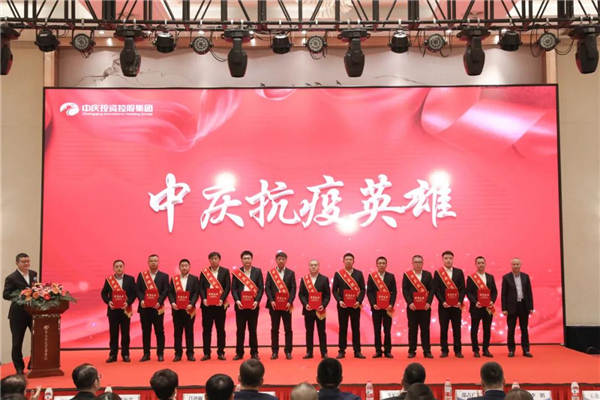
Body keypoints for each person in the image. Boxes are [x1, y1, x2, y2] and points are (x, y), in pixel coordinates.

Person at [3, 253, 37, 374]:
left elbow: (36, 288)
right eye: (23, 262)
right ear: (17, 263)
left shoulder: (33, 274)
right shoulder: (11, 278)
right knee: (17, 343)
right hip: (17, 315)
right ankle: (19, 368)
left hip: (33, 313)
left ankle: (33, 364)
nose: (26, 264)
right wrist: (21, 294)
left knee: (37, 339)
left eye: (28, 261)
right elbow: (5, 295)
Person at [100, 259, 137, 363]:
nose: (119, 268)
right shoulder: (109, 280)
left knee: (125, 333)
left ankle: (125, 354)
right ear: (114, 268)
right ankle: (113, 354)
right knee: (113, 333)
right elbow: (103, 293)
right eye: (117, 266)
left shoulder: (130, 279)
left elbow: (134, 293)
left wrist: (128, 302)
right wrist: (108, 302)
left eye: (121, 266)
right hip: (113, 311)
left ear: (123, 267)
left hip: (125, 310)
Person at [332, 253, 366, 359]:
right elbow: (334, 290)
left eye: (350, 259)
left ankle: (357, 351)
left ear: (353, 261)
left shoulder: (359, 274)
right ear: (343, 261)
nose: (348, 261)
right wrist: (339, 300)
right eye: (346, 259)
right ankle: (341, 351)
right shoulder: (338, 274)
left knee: (356, 328)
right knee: (343, 328)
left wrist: (359, 301)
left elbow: (362, 289)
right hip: (343, 306)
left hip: (355, 306)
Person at [136, 254, 169, 362]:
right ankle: (146, 354)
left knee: (159, 331)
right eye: (151, 261)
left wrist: (159, 302)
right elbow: (138, 290)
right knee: (146, 331)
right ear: (148, 262)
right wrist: (141, 300)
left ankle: (160, 353)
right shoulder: (142, 275)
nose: (153, 263)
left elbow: (165, 290)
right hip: (145, 308)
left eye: (155, 261)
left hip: (157, 308)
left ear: (158, 262)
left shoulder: (164, 276)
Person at [232, 250, 264, 360]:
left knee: (253, 330)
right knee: (240, 330)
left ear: (251, 259)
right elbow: (234, 288)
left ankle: (254, 353)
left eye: (248, 258)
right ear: (241, 260)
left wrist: (257, 301)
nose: (247, 260)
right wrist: (237, 300)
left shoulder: (257, 271)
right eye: (245, 258)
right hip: (240, 306)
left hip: (253, 306)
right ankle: (239, 353)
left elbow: (260, 288)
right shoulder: (237, 273)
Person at [433, 250, 465, 358]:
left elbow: (462, 289)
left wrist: (459, 301)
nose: (448, 260)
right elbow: (436, 290)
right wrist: (443, 301)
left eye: (450, 258)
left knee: (457, 329)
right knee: (444, 329)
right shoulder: (438, 273)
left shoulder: (459, 272)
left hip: (456, 306)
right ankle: (444, 350)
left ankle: (458, 350)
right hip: (444, 306)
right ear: (443, 259)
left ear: (453, 259)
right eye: (446, 258)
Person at [199, 251, 231, 361]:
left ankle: (221, 352)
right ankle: (206, 353)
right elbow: (201, 287)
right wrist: (204, 298)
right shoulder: (204, 272)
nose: (214, 260)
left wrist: (222, 299)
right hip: (207, 306)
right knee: (206, 330)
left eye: (216, 258)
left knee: (220, 330)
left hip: (220, 306)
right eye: (212, 258)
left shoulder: (225, 271)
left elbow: (227, 287)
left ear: (219, 260)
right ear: (209, 260)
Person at [402, 255, 434, 359]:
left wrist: (429, 302)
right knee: (412, 329)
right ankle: (412, 351)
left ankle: (427, 351)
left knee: (425, 329)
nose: (418, 264)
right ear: (412, 263)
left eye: (420, 262)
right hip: (412, 307)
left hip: (425, 307)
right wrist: (410, 303)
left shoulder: (428, 275)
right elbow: (405, 290)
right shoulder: (407, 275)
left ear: (422, 263)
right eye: (415, 262)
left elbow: (432, 290)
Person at [265, 251, 296, 360]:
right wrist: (271, 300)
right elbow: (267, 287)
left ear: (286, 260)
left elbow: (293, 289)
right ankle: (275, 351)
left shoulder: (291, 273)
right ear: (276, 260)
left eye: (283, 259)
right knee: (274, 329)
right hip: (274, 306)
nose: (281, 261)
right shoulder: (271, 273)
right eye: (279, 259)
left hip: (286, 306)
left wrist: (290, 301)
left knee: (288, 329)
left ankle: (288, 351)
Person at [501, 258, 534, 357]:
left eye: (517, 264)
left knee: (524, 329)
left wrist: (531, 307)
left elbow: (529, 292)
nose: (515, 266)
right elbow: (503, 294)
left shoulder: (525, 277)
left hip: (524, 305)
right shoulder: (506, 277)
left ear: (520, 265)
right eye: (514, 264)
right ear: (511, 265)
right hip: (511, 307)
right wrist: (504, 308)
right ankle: (511, 350)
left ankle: (526, 350)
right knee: (511, 329)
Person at [298, 259, 330, 359]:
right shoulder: (304, 279)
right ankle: (309, 352)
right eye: (311, 265)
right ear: (309, 267)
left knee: (322, 332)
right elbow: (301, 294)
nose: (313, 267)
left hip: (320, 310)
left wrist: (323, 305)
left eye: (315, 265)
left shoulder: (324, 279)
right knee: (309, 332)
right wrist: (305, 304)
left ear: (318, 266)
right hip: (308, 310)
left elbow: (327, 295)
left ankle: (324, 352)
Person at [168, 258, 199, 361]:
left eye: (186, 266)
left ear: (189, 267)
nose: (184, 267)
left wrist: (192, 304)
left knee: (189, 332)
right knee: (177, 332)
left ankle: (190, 353)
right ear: (179, 267)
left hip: (189, 310)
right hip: (177, 310)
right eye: (182, 266)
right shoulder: (174, 279)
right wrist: (172, 303)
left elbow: (196, 293)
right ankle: (178, 354)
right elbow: (170, 292)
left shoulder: (194, 279)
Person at [466, 256, 498, 358]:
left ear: (485, 264)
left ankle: (486, 349)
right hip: (476, 307)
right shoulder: (471, 278)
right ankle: (475, 350)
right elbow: (468, 292)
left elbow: (494, 292)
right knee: (474, 329)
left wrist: (492, 301)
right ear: (475, 264)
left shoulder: (490, 277)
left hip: (488, 307)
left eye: (482, 263)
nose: (481, 264)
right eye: (479, 263)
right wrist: (475, 302)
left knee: (487, 329)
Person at [366, 256, 397, 358]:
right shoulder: (372, 276)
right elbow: (369, 292)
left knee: (387, 330)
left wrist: (391, 304)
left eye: (383, 263)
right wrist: (373, 304)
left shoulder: (391, 276)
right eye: (379, 263)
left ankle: (388, 351)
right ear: (377, 265)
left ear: (386, 265)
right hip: (376, 308)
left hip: (388, 308)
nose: (381, 265)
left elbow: (394, 292)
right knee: (377, 330)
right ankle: (378, 350)